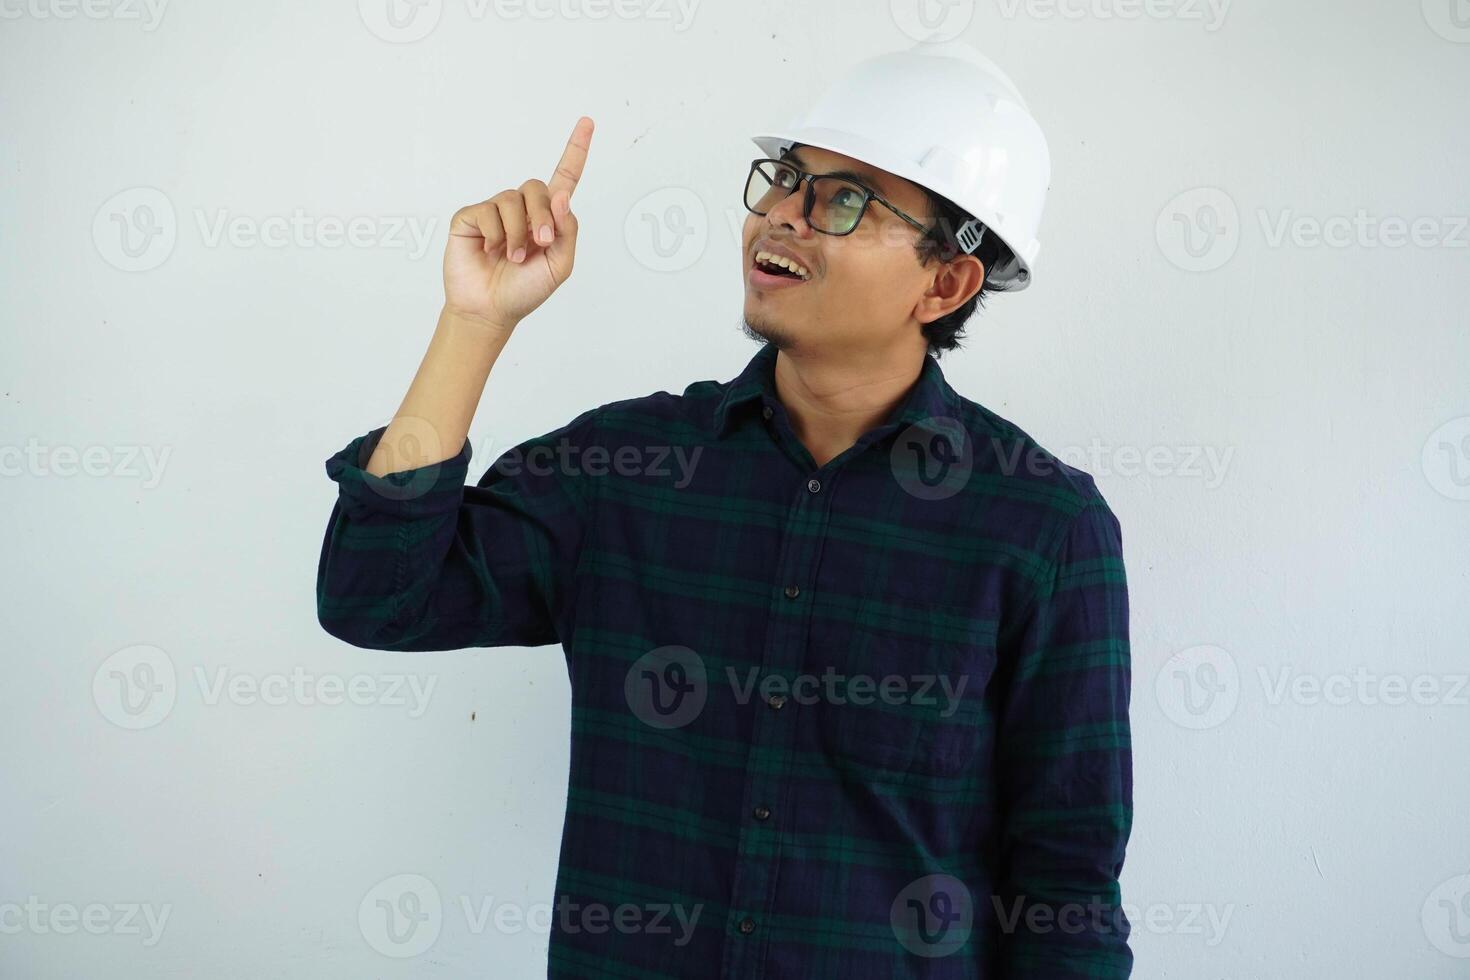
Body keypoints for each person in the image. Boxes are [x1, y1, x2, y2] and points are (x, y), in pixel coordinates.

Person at [318, 39, 1133, 979]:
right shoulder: (625, 469)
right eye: (788, 180)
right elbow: (374, 597)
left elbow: (1066, 893)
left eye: (844, 199)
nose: (783, 216)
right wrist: (474, 322)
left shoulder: (1042, 529)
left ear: (944, 282)